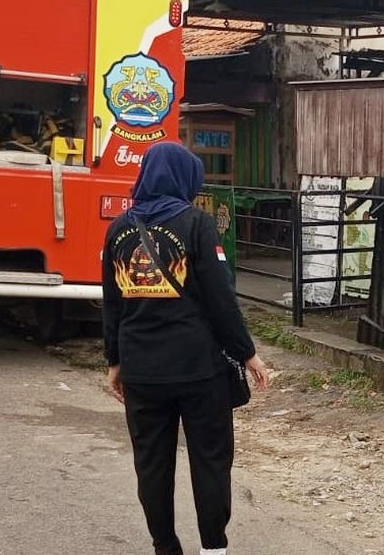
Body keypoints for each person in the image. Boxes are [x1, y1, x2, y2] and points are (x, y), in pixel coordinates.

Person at [102, 141, 270, 555]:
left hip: (141, 368)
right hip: (198, 368)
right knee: (210, 460)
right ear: (184, 179)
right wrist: (248, 353)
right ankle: (213, 548)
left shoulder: (118, 228)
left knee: (152, 464)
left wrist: (114, 361)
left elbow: (111, 301)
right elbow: (219, 298)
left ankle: (165, 546)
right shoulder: (196, 223)